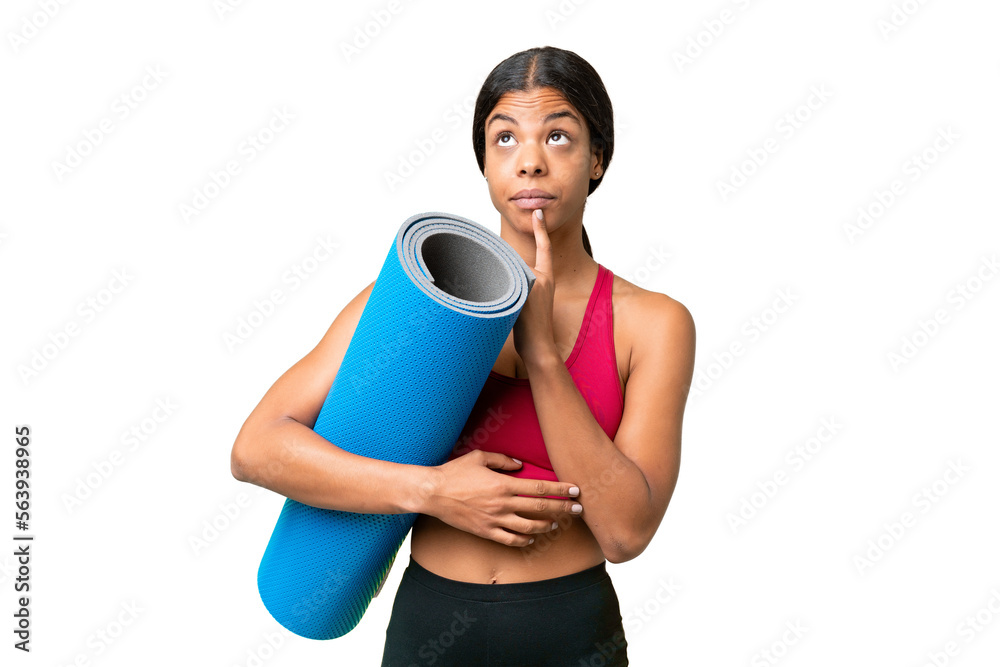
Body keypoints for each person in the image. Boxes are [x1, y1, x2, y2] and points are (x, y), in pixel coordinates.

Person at [231, 45, 695, 666]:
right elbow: (254, 449)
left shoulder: (653, 323)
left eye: (558, 136)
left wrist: (546, 359)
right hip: (429, 626)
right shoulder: (411, 304)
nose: (529, 162)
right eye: (505, 139)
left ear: (597, 159)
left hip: (568, 631)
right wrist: (434, 492)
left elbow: (625, 531)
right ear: (483, 163)